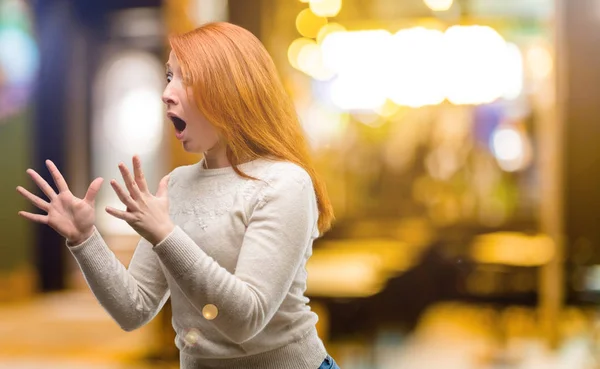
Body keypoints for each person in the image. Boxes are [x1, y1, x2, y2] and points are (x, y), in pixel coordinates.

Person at [16, 22, 341, 369]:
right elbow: (134, 309)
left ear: (231, 89)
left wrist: (164, 234)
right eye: (169, 76)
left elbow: (245, 320)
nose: (167, 92)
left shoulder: (285, 182)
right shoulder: (177, 185)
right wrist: (85, 239)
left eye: (186, 78)